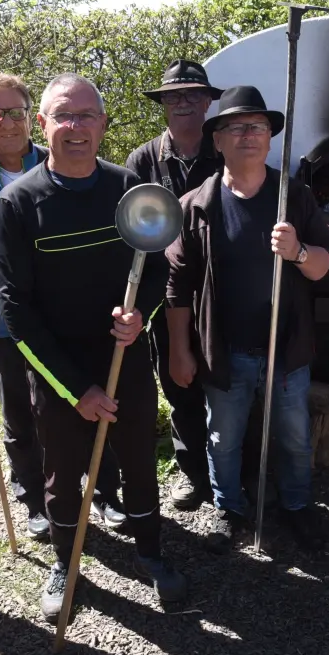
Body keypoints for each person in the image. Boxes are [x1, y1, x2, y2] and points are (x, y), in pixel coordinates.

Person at [0, 73, 187, 622]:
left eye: (86, 116)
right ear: (44, 125)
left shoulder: (129, 191)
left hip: (124, 361)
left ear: (103, 124)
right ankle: (65, 561)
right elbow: (16, 310)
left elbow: (152, 272)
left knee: (138, 462)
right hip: (60, 371)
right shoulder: (19, 202)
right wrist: (77, 390)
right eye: (63, 116)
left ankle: (151, 552)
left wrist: (140, 318)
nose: (75, 127)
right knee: (63, 471)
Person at [0, 72, 130, 539]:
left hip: (75, 316)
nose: (7, 122)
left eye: (16, 111)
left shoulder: (63, 158)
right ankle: (37, 501)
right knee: (25, 415)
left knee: (98, 397)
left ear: (32, 118)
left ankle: (104, 492)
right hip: (11, 323)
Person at [165, 85, 329, 554]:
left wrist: (299, 251)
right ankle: (230, 510)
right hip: (225, 351)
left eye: (258, 127)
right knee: (223, 439)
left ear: (269, 139)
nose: (248, 135)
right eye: (236, 127)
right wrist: (180, 350)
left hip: (286, 351)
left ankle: (298, 508)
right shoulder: (195, 206)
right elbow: (177, 287)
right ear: (216, 141)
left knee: (296, 439)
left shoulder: (294, 197)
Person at [124, 59, 223, 510]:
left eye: (192, 95)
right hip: (166, 293)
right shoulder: (142, 160)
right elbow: (128, 232)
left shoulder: (225, 152)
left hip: (223, 290)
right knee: (178, 382)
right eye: (173, 96)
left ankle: (236, 474)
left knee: (229, 383)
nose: (182, 103)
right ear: (163, 105)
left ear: (207, 102)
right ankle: (193, 474)